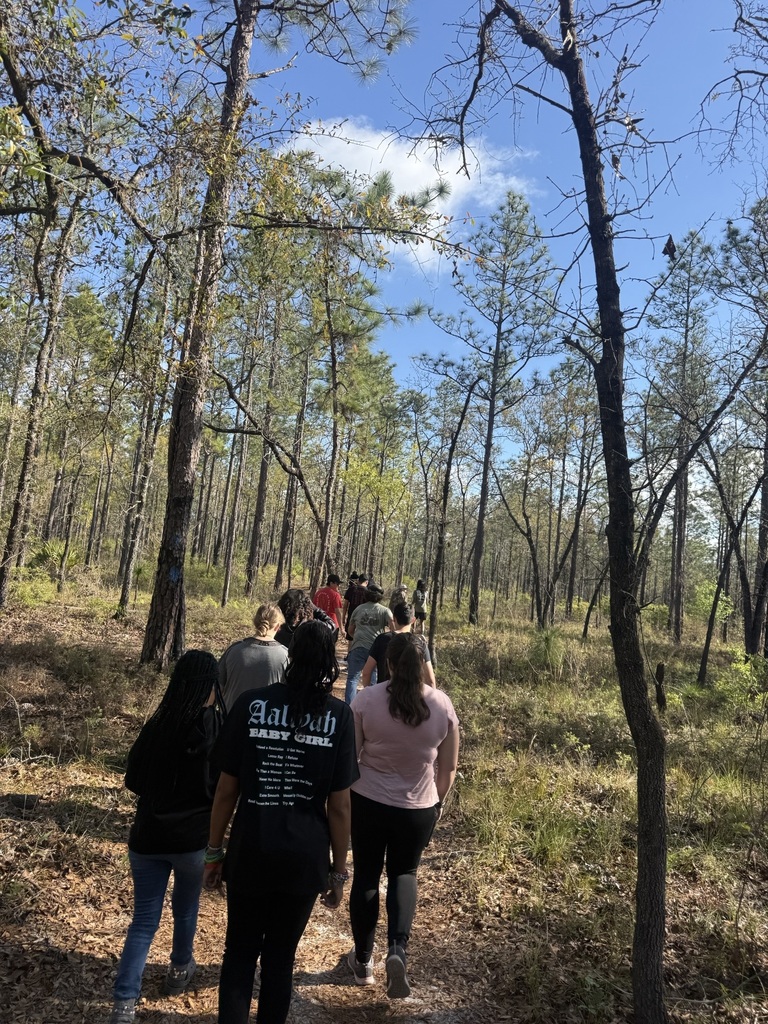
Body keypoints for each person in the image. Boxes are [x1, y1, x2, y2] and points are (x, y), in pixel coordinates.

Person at [204, 620, 358, 1024]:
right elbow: (340, 806)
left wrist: (214, 851)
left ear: (291, 657)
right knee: (279, 959)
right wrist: (338, 873)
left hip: (251, 848)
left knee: (239, 953)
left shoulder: (251, 705)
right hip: (303, 859)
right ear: (329, 661)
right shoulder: (339, 718)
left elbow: (225, 790)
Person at [110, 650, 221, 1024]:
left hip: (148, 838)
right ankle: (178, 970)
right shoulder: (214, 728)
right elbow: (221, 788)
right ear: (210, 685)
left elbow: (132, 779)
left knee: (144, 920)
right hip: (192, 841)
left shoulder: (158, 724)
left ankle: (124, 1001)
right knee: (186, 907)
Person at [347, 633, 459, 998]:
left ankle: (363, 961)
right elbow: (449, 767)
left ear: (389, 663)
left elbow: (351, 758)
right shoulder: (442, 705)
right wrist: (435, 803)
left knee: (366, 874)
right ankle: (397, 949)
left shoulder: (366, 700)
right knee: (403, 873)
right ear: (424, 663)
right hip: (417, 808)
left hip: (368, 801)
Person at [218, 603, 288, 710]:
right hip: (265, 724)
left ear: (255, 622)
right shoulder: (285, 656)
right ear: (278, 626)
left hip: (230, 722)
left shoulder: (233, 650)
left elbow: (216, 689)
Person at [362, 602, 436, 689]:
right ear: (413, 620)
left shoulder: (382, 639)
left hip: (384, 695)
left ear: (394, 618)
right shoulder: (420, 643)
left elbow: (366, 673)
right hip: (411, 698)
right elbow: (430, 681)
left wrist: (370, 693)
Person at [345, 582, 392, 703]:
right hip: (376, 650)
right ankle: (371, 706)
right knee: (372, 680)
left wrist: (357, 637)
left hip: (358, 647)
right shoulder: (385, 611)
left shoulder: (358, 609)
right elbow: (394, 630)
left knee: (352, 679)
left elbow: (350, 630)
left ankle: (350, 709)